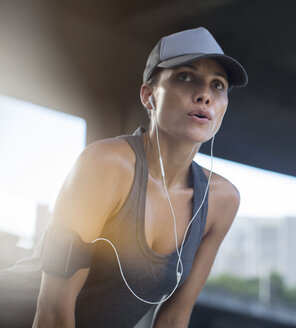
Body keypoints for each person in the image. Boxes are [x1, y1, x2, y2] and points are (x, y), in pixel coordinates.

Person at [2, 27, 248, 328]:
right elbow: (52, 308)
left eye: (218, 85)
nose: (204, 95)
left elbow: (173, 319)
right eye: (185, 77)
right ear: (149, 96)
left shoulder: (221, 201)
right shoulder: (105, 165)